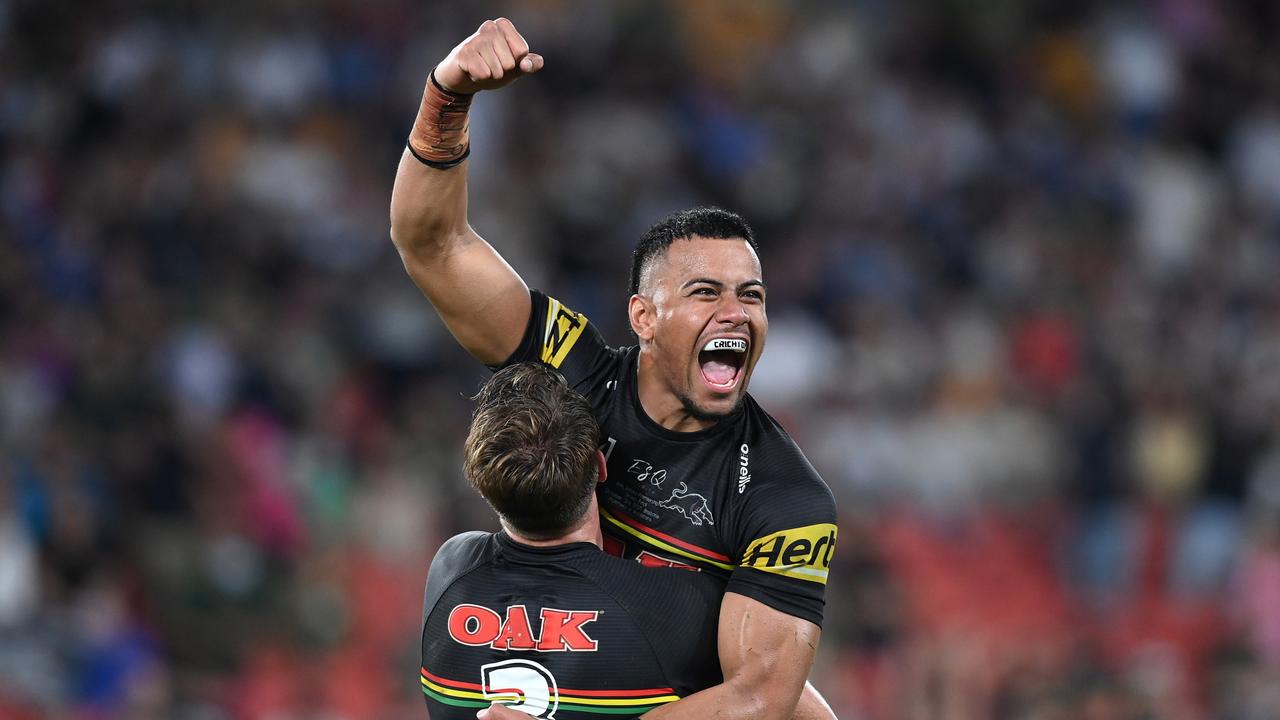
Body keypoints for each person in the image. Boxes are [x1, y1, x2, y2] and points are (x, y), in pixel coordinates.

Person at [390, 18, 838, 720]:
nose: (736, 313)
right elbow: (433, 245)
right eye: (705, 292)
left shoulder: (782, 497)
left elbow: (758, 701)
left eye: (751, 295)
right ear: (643, 317)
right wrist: (446, 98)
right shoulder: (571, 375)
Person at [420, 363, 723, 719]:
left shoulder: (452, 567)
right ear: (602, 466)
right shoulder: (677, 604)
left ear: (485, 484)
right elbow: (769, 695)